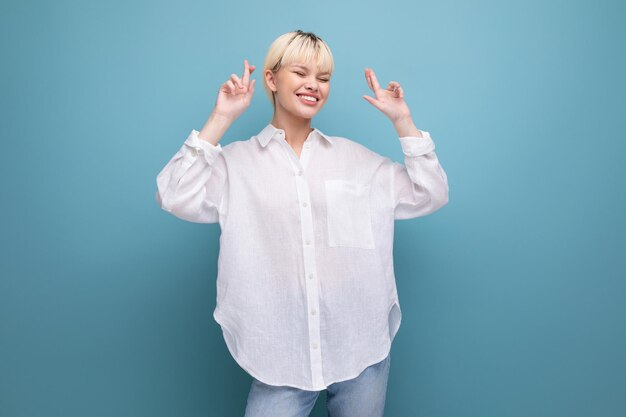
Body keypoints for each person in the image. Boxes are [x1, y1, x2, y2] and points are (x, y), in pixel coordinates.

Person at [155, 29, 449, 417]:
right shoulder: (234, 165)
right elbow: (173, 194)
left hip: (360, 347)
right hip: (280, 355)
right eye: (301, 73)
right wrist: (220, 118)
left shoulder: (356, 160)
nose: (314, 85)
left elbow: (431, 192)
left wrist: (403, 121)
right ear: (271, 80)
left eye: (324, 78)